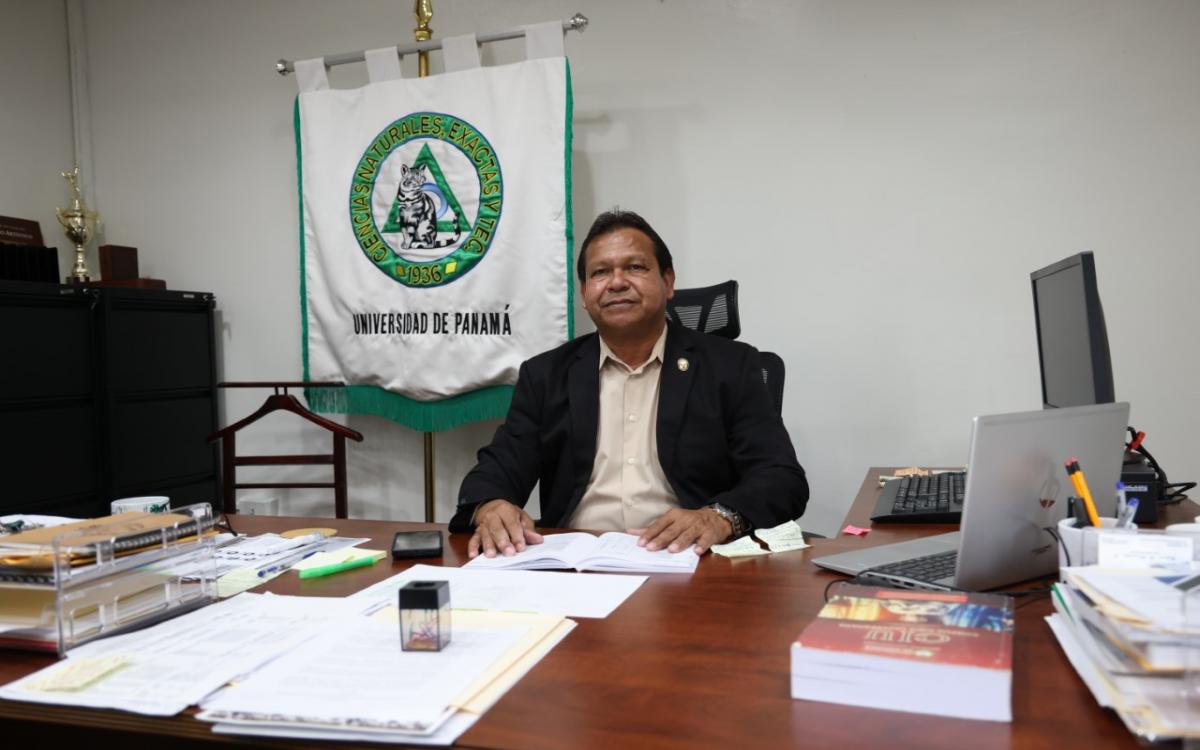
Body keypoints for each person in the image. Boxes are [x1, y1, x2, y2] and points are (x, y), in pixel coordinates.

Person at [449, 210, 808, 558]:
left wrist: (717, 517)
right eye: (601, 272)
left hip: (689, 562)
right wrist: (490, 506)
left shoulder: (730, 366)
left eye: (635, 267)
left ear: (668, 282)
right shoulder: (547, 374)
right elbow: (499, 467)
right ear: (585, 293)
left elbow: (781, 479)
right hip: (576, 564)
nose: (617, 282)